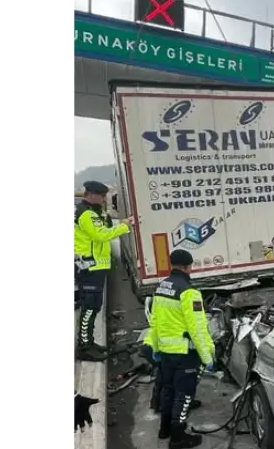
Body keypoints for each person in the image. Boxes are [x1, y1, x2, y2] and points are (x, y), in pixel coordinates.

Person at [147, 249, 215, 449]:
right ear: (188, 266)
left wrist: (155, 346)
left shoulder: (162, 287)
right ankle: (178, 437)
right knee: (184, 394)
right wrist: (207, 355)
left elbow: (155, 320)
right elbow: (197, 328)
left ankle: (164, 429)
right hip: (185, 353)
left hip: (166, 351)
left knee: (168, 390)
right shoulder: (189, 292)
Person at [75, 180, 133, 362]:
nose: (102, 199)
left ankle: (89, 343)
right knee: (90, 308)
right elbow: (101, 235)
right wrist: (124, 226)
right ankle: (84, 346)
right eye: (100, 196)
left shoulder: (93, 212)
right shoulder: (86, 214)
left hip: (95, 267)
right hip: (90, 268)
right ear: (91, 194)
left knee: (94, 307)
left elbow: (104, 229)